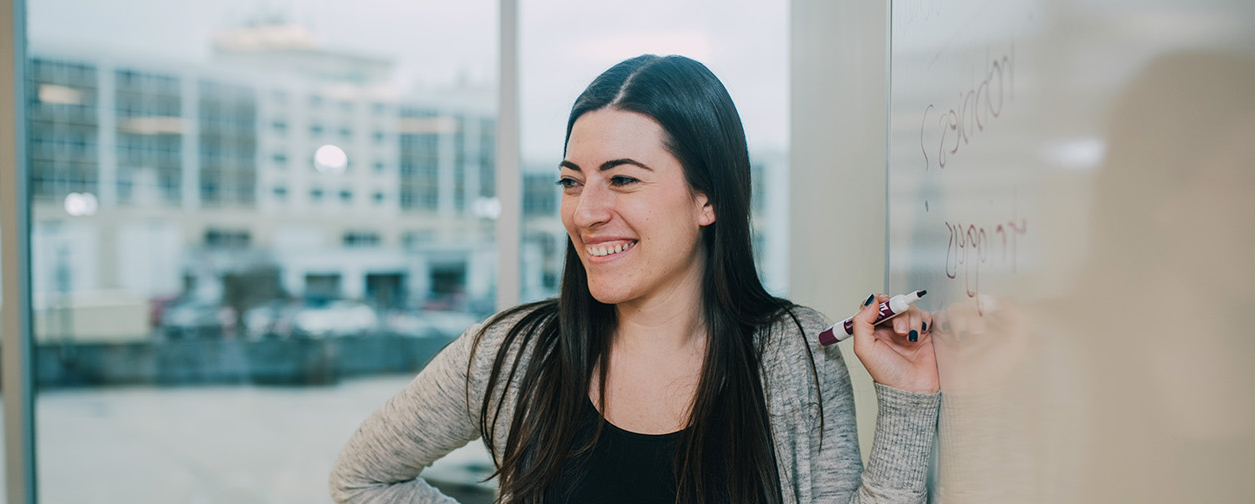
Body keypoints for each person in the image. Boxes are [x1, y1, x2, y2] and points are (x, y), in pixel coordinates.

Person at [330, 54, 940, 504]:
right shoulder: (510, 354)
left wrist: (908, 404)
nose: (586, 211)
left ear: (708, 198)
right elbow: (361, 479)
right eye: (572, 180)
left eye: (621, 179)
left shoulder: (792, 353)